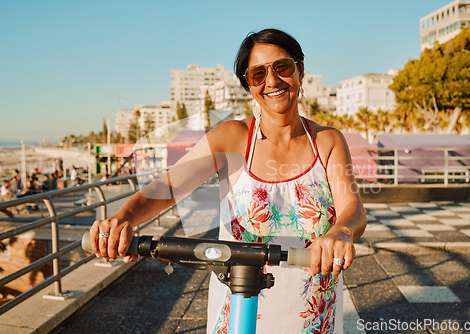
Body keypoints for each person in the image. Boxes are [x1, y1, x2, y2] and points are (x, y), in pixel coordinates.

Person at [90, 28, 366, 333]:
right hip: (239, 317)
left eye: (282, 67)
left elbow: (352, 208)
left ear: (300, 71)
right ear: (248, 86)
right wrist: (122, 218)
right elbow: (167, 189)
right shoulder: (232, 139)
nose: (272, 81)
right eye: (257, 74)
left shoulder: (327, 141)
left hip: (314, 317)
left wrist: (341, 232)